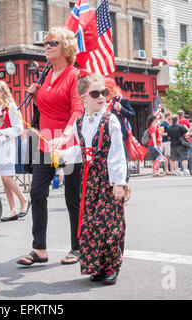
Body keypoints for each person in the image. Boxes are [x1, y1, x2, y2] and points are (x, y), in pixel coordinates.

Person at [17, 26, 84, 266]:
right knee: (36, 192)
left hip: (68, 143)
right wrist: (35, 94)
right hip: (44, 141)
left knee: (72, 197)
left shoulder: (75, 75)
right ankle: (40, 249)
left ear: (65, 48)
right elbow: (47, 107)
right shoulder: (45, 74)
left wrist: (66, 134)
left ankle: (78, 248)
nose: (46, 46)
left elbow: (78, 108)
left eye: (52, 43)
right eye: (45, 42)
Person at [57, 73, 126, 285]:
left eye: (104, 92)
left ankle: (111, 266)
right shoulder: (80, 122)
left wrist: (118, 182)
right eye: (96, 93)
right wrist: (63, 155)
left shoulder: (110, 119)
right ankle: (97, 266)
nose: (102, 97)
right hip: (89, 180)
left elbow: (117, 152)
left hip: (107, 177)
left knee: (108, 223)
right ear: (83, 98)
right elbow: (82, 151)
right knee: (90, 224)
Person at [0, 81, 30, 222]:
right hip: (0, 144)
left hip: (10, 144)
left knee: (7, 177)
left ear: (3, 92)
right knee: (3, 178)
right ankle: (13, 210)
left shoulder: (11, 106)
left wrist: (0, 132)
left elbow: (18, 128)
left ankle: (24, 200)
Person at [105, 77, 135, 198]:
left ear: (112, 90)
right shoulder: (101, 101)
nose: (104, 93)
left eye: (106, 90)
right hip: (105, 135)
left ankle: (124, 183)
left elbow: (132, 115)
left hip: (119, 134)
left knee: (121, 158)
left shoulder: (122, 101)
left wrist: (121, 109)